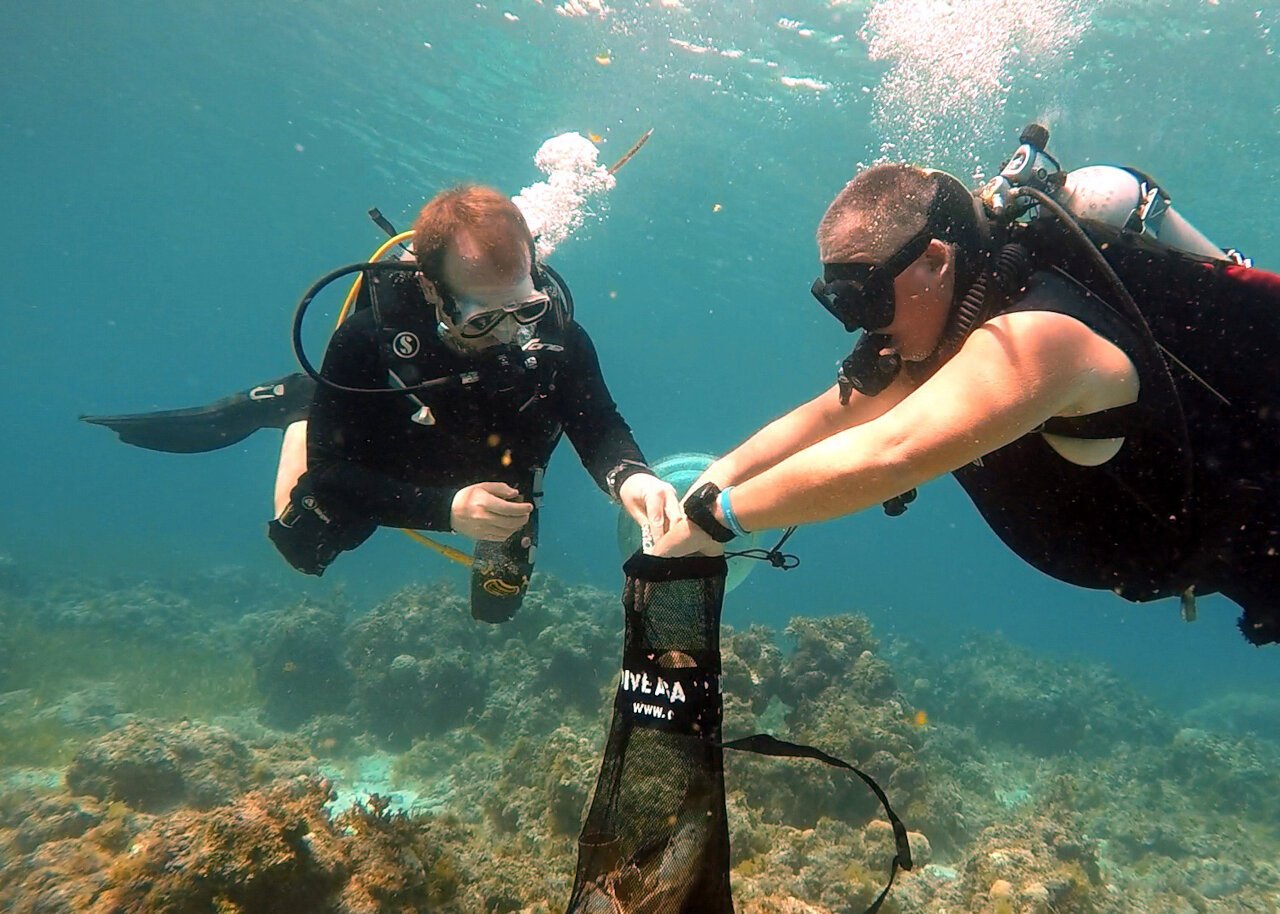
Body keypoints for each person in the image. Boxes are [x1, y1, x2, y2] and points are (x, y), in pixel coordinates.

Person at [655, 140, 1280, 646]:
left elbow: (892, 449)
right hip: (1223, 559)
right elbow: (829, 418)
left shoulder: (1038, 339)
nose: (859, 327)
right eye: (837, 304)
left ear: (934, 262)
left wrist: (720, 518)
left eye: (864, 298)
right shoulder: (938, 336)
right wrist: (711, 481)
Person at [86, 185, 678, 620]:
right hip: (387, 442)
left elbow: (597, 425)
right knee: (301, 547)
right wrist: (445, 511)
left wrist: (634, 481)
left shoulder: (557, 335)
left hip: (497, 469)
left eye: (524, 308)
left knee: (497, 609)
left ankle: (318, 408)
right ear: (429, 286)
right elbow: (335, 479)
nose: (511, 333)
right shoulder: (367, 341)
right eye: (483, 317)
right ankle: (301, 412)